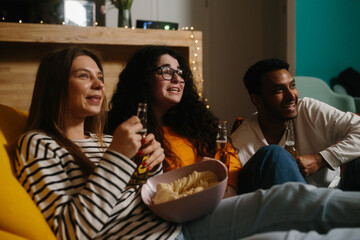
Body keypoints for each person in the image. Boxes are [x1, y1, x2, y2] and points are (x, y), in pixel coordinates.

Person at [15, 47, 360, 240]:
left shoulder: (108, 139)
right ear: (56, 85)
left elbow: (143, 194)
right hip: (167, 231)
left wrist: (145, 170)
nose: (97, 85)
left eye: (100, 77)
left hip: (181, 219)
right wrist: (123, 159)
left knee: (286, 199)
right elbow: (72, 231)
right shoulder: (40, 144)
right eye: (83, 75)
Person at [107, 45, 241, 197]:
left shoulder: (199, 123)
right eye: (167, 72)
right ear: (144, 79)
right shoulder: (128, 135)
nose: (177, 79)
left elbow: (228, 157)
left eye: (179, 72)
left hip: (222, 200)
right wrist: (198, 175)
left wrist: (227, 191)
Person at [231, 58, 360, 191]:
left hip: (336, 191)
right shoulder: (241, 142)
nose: (291, 96)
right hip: (293, 206)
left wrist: (320, 160)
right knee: (275, 154)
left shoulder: (309, 109)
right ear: (257, 100)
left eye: (292, 86)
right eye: (278, 90)